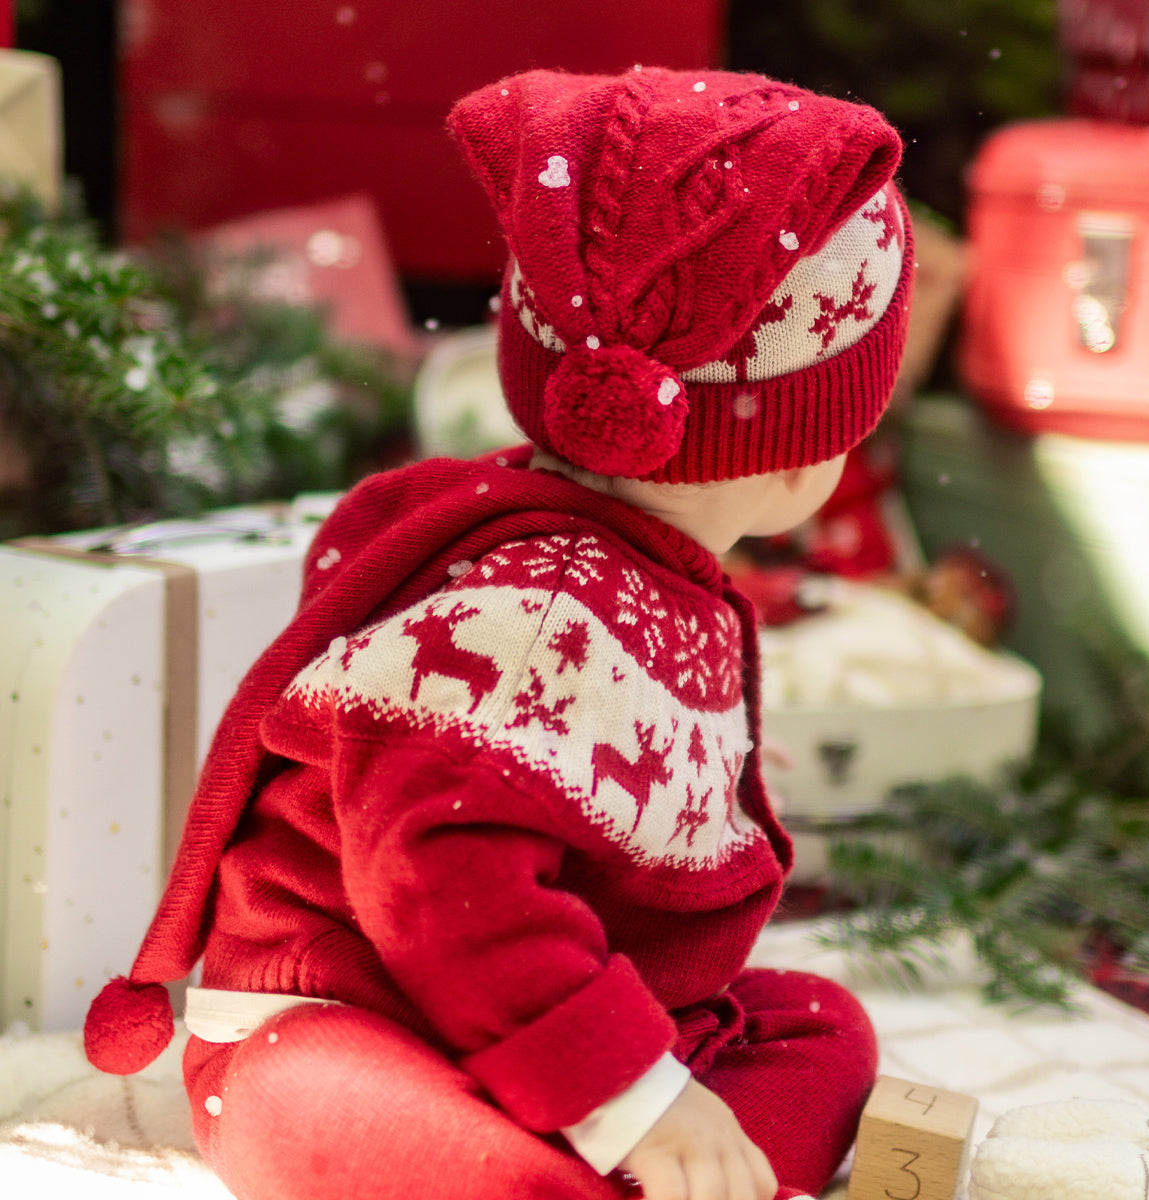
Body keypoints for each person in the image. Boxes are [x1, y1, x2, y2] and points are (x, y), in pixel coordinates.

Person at [83, 65, 913, 1200]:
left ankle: (649, 1161)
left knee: (817, 1024)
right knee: (400, 1136)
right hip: (343, 1017)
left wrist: (645, 1070)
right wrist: (631, 1093)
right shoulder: (531, 618)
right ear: (810, 448)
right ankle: (600, 1166)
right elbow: (438, 884)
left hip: (561, 1002)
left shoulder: (652, 575)